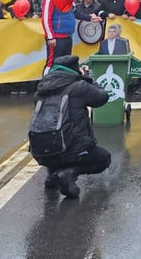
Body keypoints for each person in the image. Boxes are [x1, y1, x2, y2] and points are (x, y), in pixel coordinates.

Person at [33, 54, 111, 199]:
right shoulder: (79, 87)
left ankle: (52, 176)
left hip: (43, 152)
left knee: (54, 142)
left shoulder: (40, 91)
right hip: (73, 150)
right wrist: (88, 78)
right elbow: (102, 97)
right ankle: (69, 173)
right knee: (104, 159)